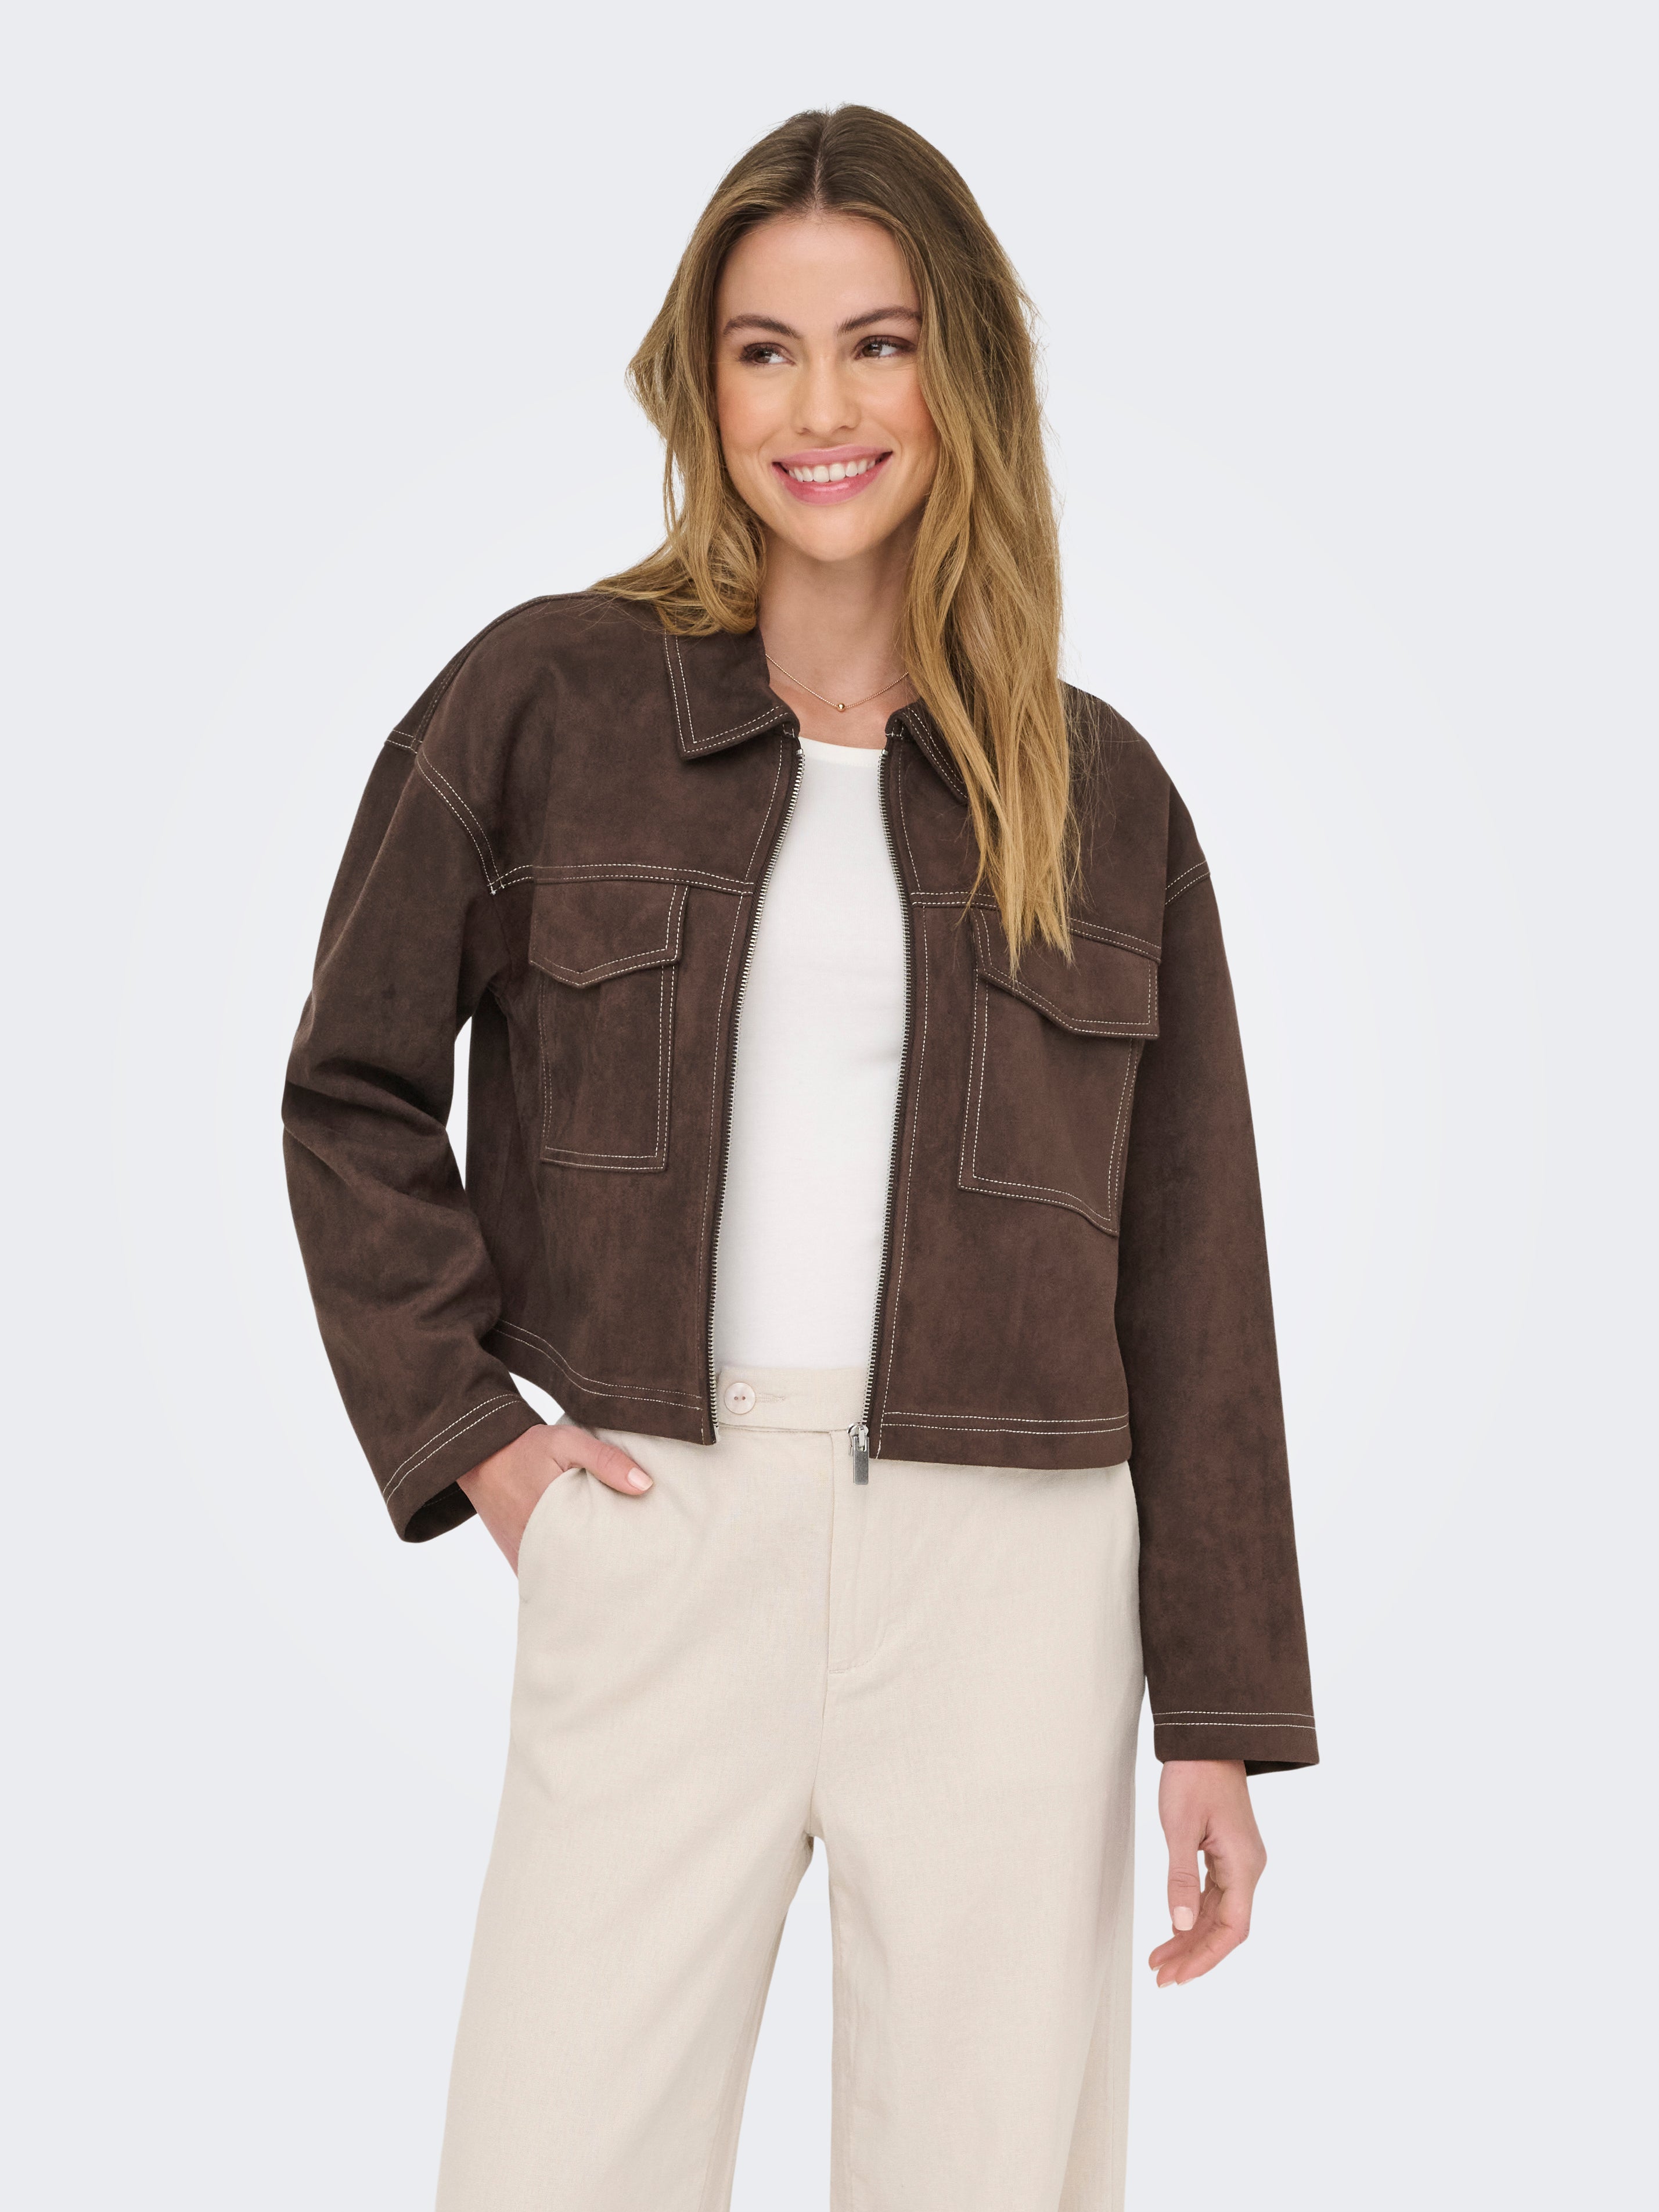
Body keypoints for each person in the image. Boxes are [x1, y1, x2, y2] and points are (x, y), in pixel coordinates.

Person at [283, 103, 1317, 2212]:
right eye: (764, 350)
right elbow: (351, 1091)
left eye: (877, 345)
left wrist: (1213, 1713)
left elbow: (1193, 1273)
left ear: (962, 377)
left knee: (983, 2175)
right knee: (550, 2162)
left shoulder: (1098, 795)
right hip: (664, 1522)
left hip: (1016, 1577)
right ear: (703, 380)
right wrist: (479, 1443)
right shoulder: (544, 702)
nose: (820, 409)